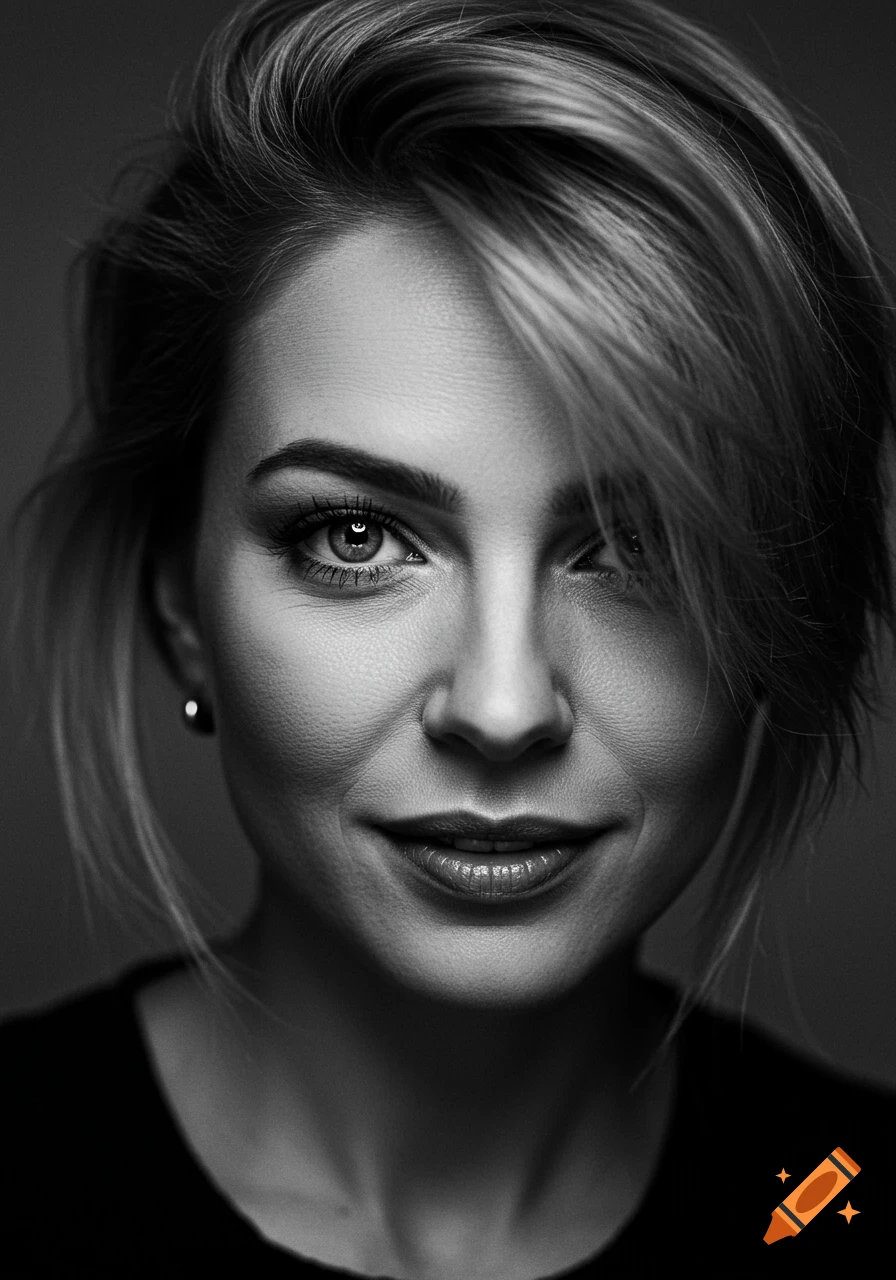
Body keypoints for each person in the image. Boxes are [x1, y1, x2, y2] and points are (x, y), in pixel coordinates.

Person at [3, 0, 894, 1274]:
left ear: (779, 614)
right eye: (356, 536)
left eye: (642, 548)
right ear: (179, 606)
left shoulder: (842, 1199)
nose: (502, 704)